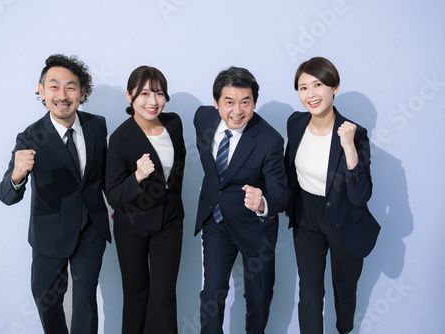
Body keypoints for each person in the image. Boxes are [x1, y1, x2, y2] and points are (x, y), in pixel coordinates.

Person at [0, 54, 111, 334]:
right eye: (54, 86)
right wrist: (17, 174)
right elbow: (6, 196)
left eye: (71, 87)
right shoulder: (30, 137)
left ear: (82, 93)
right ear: (41, 91)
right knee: (47, 302)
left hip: (90, 230)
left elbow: (104, 174)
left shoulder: (97, 125)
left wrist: (122, 202)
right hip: (50, 233)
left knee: (86, 300)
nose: (62, 95)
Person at [284, 57, 380, 334]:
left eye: (318, 85)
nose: (311, 94)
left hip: (344, 215)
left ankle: (344, 330)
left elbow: (360, 195)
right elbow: (290, 164)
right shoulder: (296, 122)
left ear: (334, 87)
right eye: (303, 88)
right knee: (310, 292)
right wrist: (289, 201)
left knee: (344, 289)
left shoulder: (355, 134)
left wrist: (348, 147)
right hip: (306, 215)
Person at [194, 66, 289, 334]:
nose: (237, 110)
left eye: (245, 102)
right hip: (216, 221)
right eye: (229, 102)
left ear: (254, 103)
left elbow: (282, 194)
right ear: (216, 103)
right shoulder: (203, 118)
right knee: (212, 295)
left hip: (255, 228)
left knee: (258, 300)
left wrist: (263, 203)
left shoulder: (269, 140)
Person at [105, 66, 186, 334]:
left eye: (159, 93)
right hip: (132, 226)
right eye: (144, 93)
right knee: (137, 295)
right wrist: (137, 176)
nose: (152, 101)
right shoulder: (120, 139)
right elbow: (114, 195)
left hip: (169, 223)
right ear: (130, 96)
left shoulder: (174, 123)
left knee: (163, 295)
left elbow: (178, 168)